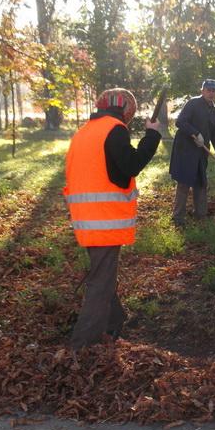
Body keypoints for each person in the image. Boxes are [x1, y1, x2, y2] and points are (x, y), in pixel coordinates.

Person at [63, 88, 161, 349]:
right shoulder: (114, 129)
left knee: (102, 274)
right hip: (104, 220)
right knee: (101, 282)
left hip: (86, 219)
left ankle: (114, 322)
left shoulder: (85, 132)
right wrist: (152, 135)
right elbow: (131, 166)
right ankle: (82, 346)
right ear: (127, 110)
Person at [169, 78, 215, 227]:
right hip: (185, 150)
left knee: (201, 182)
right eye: (208, 90)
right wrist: (195, 133)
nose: (211, 93)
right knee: (184, 182)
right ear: (202, 90)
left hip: (201, 151)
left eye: (214, 91)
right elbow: (180, 122)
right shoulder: (193, 103)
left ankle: (201, 216)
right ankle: (178, 218)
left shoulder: (214, 111)